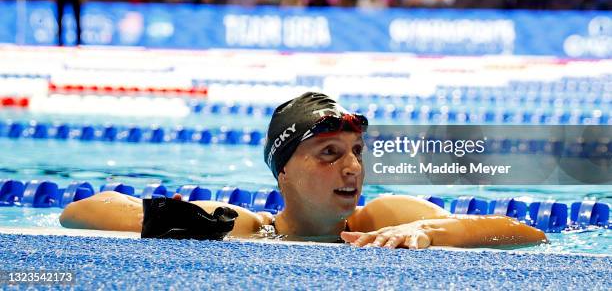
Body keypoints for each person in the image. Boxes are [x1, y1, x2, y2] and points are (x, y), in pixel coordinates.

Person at [60, 92, 547, 249]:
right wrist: (177, 218)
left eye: (356, 150)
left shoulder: (382, 219)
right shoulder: (246, 227)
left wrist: (432, 228)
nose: (353, 166)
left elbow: (526, 234)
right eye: (329, 153)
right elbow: (78, 213)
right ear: (283, 172)